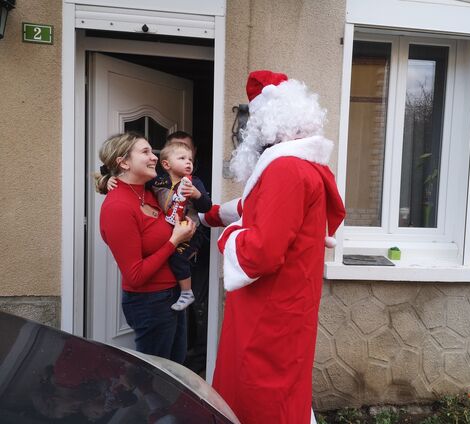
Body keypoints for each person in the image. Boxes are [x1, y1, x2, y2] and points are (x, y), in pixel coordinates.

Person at [202, 70, 346, 423]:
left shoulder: (284, 169)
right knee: (283, 392)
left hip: (269, 312)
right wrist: (217, 214)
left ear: (267, 124)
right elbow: (265, 209)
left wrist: (228, 236)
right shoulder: (305, 166)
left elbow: (261, 252)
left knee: (260, 397)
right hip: (289, 306)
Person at [95, 132, 196, 364]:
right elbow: (135, 275)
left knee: (176, 370)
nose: (154, 157)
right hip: (150, 302)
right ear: (123, 162)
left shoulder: (149, 192)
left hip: (173, 294)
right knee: (155, 380)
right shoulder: (117, 207)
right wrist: (174, 241)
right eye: (145, 152)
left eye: (152, 151)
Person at [151, 141, 212, 311]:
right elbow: (136, 183)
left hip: (190, 231)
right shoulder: (158, 182)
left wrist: (197, 194)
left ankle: (187, 293)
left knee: (177, 257)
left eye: (190, 159)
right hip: (169, 229)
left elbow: (206, 206)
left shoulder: (194, 182)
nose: (188, 162)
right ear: (166, 164)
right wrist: (112, 179)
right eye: (182, 158)